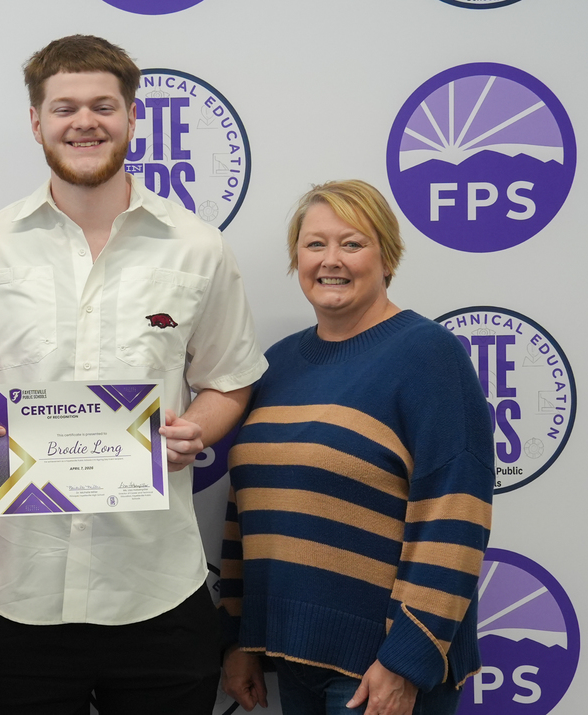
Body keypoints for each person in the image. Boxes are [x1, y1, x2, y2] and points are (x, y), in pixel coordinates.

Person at [0, 34, 265, 715]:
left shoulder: (197, 248)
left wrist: (196, 426)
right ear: (36, 122)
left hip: (155, 588)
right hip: (20, 591)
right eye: (65, 107)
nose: (86, 122)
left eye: (104, 106)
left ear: (133, 117)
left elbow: (231, 377)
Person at [219, 180, 494, 715]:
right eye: (314, 244)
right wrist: (237, 636)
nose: (331, 260)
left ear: (387, 257)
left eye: (352, 243)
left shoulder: (427, 355)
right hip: (292, 656)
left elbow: (454, 513)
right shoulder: (277, 365)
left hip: (380, 669)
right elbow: (244, 508)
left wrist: (406, 660)